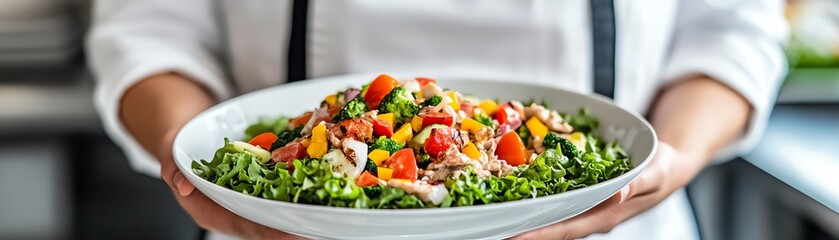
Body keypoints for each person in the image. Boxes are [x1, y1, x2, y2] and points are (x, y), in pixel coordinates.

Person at [87, 1, 788, 239]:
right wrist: (195, 164)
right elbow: (150, 28)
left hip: (610, 228)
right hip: (285, 234)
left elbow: (732, 28)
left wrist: (673, 155)